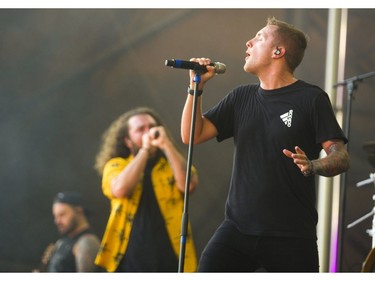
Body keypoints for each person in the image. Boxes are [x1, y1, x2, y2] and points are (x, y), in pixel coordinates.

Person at [180, 16, 350, 272]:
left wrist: (313, 165)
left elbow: (341, 156)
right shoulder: (241, 97)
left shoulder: (311, 98)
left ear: (278, 51)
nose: (248, 42)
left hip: (291, 235)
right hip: (236, 229)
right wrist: (196, 87)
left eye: (259, 37)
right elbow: (192, 135)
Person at [94, 107, 198, 272]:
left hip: (171, 257)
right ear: (128, 141)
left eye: (152, 126)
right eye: (140, 129)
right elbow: (121, 189)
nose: (149, 132)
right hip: (129, 259)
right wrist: (144, 150)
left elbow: (189, 185)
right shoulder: (117, 165)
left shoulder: (170, 164)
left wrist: (167, 145)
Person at [38, 191, 101, 272]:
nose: (57, 221)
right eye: (55, 216)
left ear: (79, 211)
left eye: (62, 215)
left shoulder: (87, 242)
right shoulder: (61, 242)